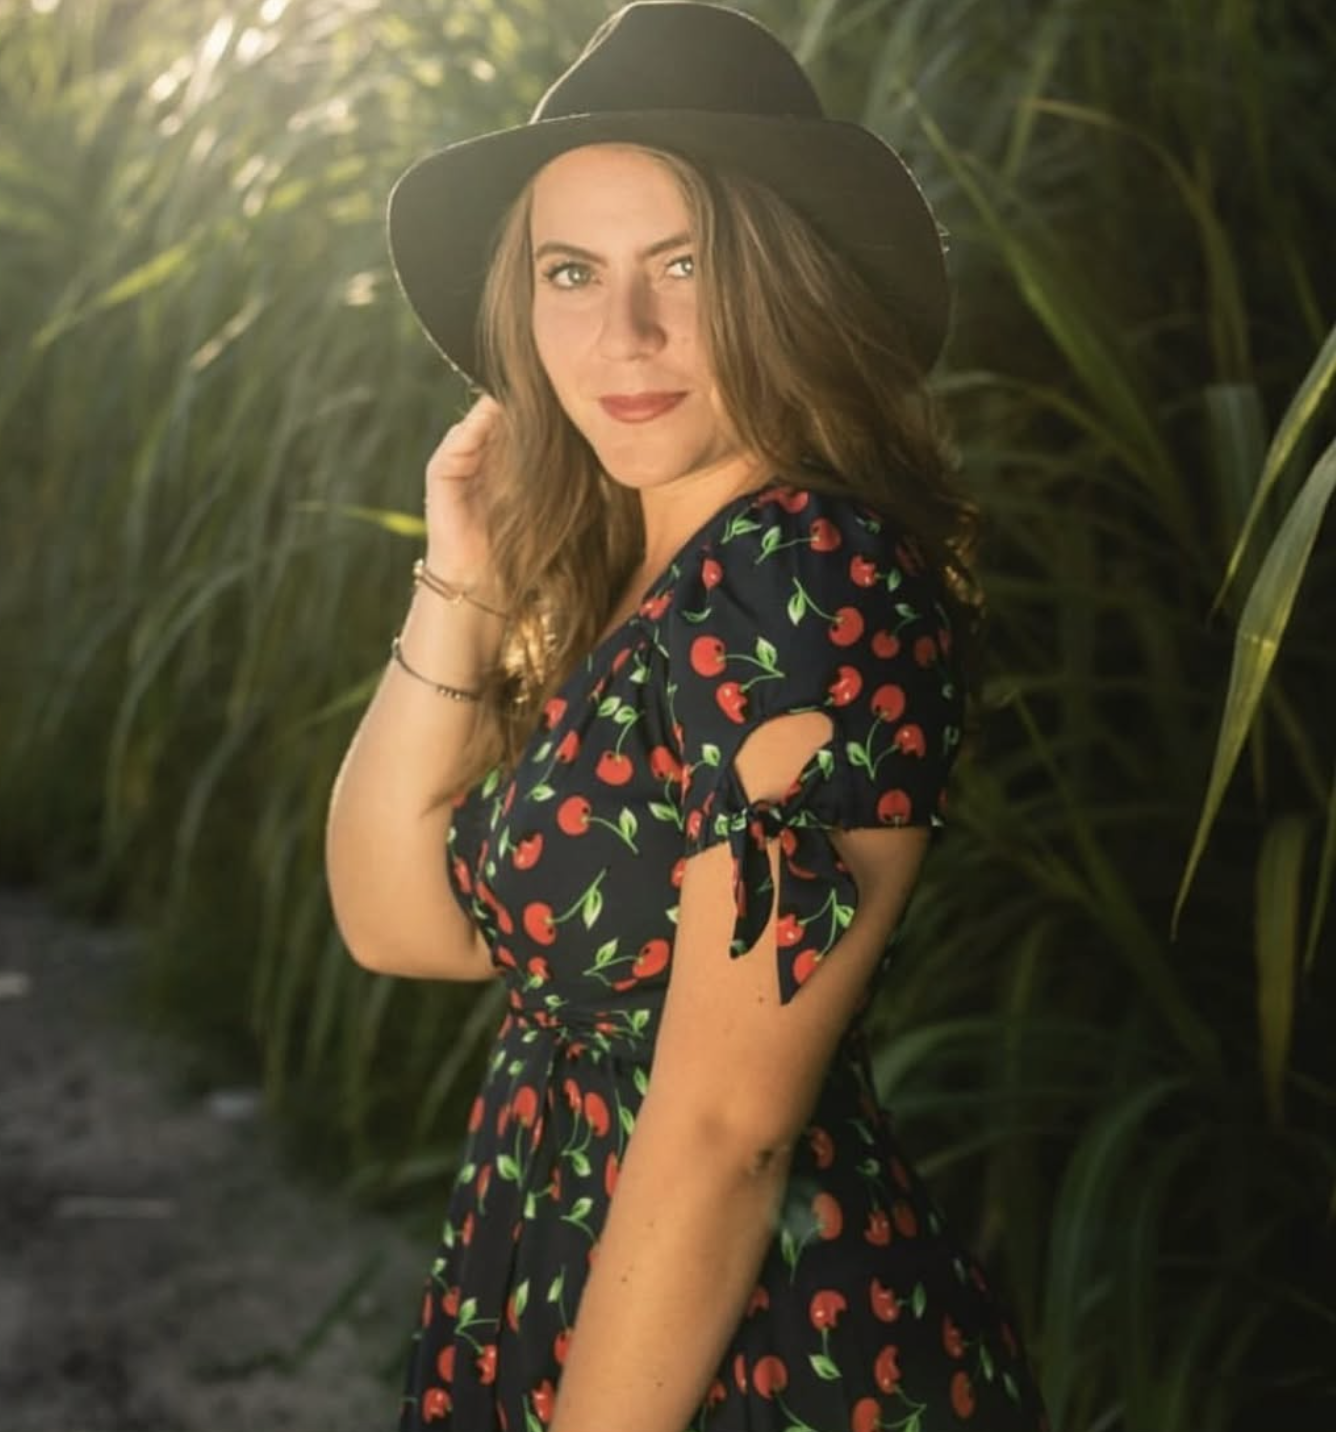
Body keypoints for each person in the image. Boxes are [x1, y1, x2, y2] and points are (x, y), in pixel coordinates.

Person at [326, 3, 1050, 1429]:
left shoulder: (801, 583)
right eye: (573, 271)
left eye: (687, 264)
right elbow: (396, 919)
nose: (627, 332)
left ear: (786, 285)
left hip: (744, 1354)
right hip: (578, 1287)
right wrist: (460, 578)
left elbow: (726, 1129)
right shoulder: (655, 583)